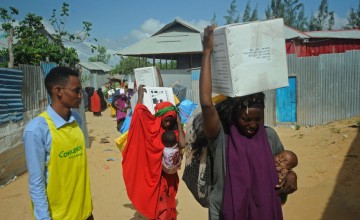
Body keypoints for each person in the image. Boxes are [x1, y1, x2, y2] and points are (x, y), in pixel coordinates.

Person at [200, 25, 297, 220]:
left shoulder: (269, 137)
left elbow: (282, 167)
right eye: (246, 119)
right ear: (235, 115)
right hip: (225, 213)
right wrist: (207, 52)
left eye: (257, 119)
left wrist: (292, 176)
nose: (253, 124)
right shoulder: (221, 137)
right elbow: (206, 103)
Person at [23, 66, 93, 220]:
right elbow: (36, 182)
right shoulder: (37, 130)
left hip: (85, 212)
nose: (81, 96)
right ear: (58, 91)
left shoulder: (77, 120)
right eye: (76, 90)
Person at [122, 85, 184, 220]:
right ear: (160, 117)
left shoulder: (173, 131)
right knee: (158, 204)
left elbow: (182, 144)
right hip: (155, 174)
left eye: (171, 120)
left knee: (169, 201)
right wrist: (140, 96)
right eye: (166, 120)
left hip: (169, 175)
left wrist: (178, 122)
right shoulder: (152, 127)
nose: (167, 123)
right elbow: (139, 114)